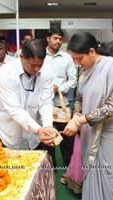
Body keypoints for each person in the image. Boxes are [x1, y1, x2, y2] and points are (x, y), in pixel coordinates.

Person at [63, 32, 113, 200]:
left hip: (112, 133)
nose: (77, 63)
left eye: (79, 58)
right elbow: (80, 98)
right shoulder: (83, 69)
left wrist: (80, 121)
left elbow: (112, 108)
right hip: (90, 131)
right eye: (74, 59)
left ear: (92, 51)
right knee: (91, 177)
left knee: (111, 182)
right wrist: (75, 116)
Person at [0, 39, 58, 156]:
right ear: (22, 57)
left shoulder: (47, 71)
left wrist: (47, 125)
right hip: (10, 131)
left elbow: (46, 102)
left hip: (35, 133)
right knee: (12, 170)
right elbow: (15, 110)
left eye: (40, 64)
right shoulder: (5, 73)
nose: (37, 69)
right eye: (33, 65)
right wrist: (38, 129)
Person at [44, 27, 77, 167]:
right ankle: (50, 168)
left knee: (67, 138)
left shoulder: (67, 58)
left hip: (61, 105)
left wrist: (59, 88)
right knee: (47, 138)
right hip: (44, 106)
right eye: (55, 38)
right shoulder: (40, 55)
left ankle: (70, 169)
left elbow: (74, 80)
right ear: (48, 38)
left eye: (60, 39)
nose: (58, 41)